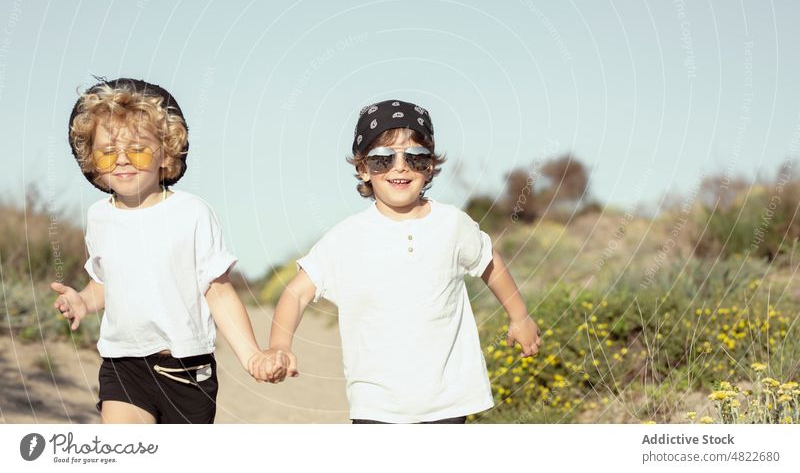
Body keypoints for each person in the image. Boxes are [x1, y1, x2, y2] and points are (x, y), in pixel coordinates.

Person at [269, 99, 541, 423]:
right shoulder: (346, 238)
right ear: (363, 168)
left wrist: (520, 316)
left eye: (414, 157)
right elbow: (297, 293)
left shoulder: (451, 224)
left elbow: (488, 261)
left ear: (429, 167)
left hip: (448, 400)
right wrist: (279, 346)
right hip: (376, 405)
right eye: (383, 159)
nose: (400, 167)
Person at [52, 78, 285, 424]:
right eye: (107, 152)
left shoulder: (192, 213)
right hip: (123, 365)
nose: (122, 161)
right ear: (92, 161)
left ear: (166, 152)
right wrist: (84, 301)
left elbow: (217, 292)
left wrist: (251, 354)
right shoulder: (99, 217)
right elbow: (106, 282)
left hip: (186, 371)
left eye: (138, 149)